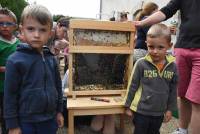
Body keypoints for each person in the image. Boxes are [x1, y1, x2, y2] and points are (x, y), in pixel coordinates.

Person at [134, 0, 200, 133]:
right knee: (182, 94)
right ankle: (182, 130)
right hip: (182, 47)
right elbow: (166, 11)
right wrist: (141, 23)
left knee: (197, 100)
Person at [3, 4, 64, 134]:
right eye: (31, 29)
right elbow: (9, 95)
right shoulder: (14, 61)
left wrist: (59, 111)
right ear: (21, 30)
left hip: (49, 119)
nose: (36, 35)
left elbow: (58, 87)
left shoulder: (51, 59)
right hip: (26, 122)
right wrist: (12, 125)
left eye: (42, 30)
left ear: (50, 34)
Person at [124, 23, 178, 134]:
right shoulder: (141, 64)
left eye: (160, 47)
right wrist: (127, 105)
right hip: (141, 111)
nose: (155, 51)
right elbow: (132, 85)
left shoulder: (173, 67)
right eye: (151, 47)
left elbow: (173, 90)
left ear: (169, 45)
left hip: (159, 112)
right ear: (146, 44)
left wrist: (169, 109)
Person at [0, 7, 19, 134]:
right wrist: (8, 69)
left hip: (17, 87)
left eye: (8, 23)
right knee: (5, 116)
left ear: (15, 26)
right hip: (2, 88)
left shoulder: (19, 42)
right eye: (1, 23)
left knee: (16, 113)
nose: (4, 26)